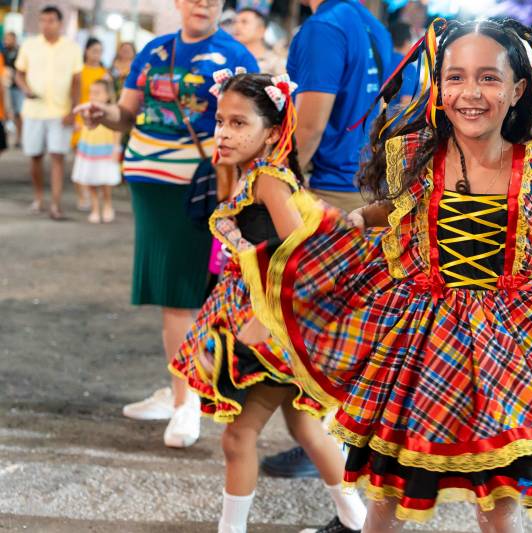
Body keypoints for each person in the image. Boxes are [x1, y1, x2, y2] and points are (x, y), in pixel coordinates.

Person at [252, 18, 532, 531]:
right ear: (439, 87)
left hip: (504, 340)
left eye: (489, 78)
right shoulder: (417, 156)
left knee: (499, 493)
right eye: (456, 78)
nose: (471, 92)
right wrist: (361, 217)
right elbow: (402, 204)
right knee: (391, 487)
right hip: (421, 337)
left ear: (517, 90)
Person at [169, 71, 366, 533]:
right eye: (221, 120)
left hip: (275, 329)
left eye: (239, 123)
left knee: (239, 436)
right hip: (265, 320)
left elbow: (300, 255)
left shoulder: (268, 181)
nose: (224, 131)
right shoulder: (254, 176)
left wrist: (264, 321)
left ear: (273, 132)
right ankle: (356, 520)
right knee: (305, 428)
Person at [75, 0, 258, 448]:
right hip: (147, 183)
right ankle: (181, 391)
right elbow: (128, 111)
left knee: (197, 291)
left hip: (201, 184)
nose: (204, 4)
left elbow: (257, 126)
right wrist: (104, 116)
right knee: (171, 292)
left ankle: (188, 398)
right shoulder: (153, 51)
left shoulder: (237, 56)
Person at [259, 0, 392, 479]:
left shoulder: (323, 29)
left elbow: (310, 123)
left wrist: (279, 181)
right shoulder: (372, 26)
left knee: (319, 325)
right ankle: (336, 441)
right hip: (369, 185)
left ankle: (323, 443)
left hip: (329, 189)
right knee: (352, 324)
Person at [14, 5, 83, 220]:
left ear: (60, 23)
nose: (46, 24)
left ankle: (55, 203)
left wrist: (73, 111)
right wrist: (25, 89)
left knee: (57, 156)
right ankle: (38, 198)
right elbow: (19, 74)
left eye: (51, 20)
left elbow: (76, 82)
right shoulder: (29, 45)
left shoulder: (71, 48)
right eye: (43, 20)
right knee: (35, 156)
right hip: (34, 111)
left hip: (60, 112)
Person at [71, 78, 121, 223]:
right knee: (91, 179)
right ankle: (95, 208)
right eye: (92, 93)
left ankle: (107, 205)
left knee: (105, 181)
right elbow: (81, 125)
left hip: (105, 149)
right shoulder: (86, 109)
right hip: (89, 150)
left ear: (107, 95)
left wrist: (116, 148)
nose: (93, 96)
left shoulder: (111, 111)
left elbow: (117, 130)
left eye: (97, 93)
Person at [73, 37, 110, 211]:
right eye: (94, 50)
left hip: (99, 118)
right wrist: (75, 118)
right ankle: (82, 195)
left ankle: (95, 196)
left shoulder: (105, 72)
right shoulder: (79, 71)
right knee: (80, 157)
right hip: (81, 114)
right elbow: (75, 94)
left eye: (100, 51)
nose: (96, 54)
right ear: (86, 51)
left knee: (95, 158)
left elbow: (110, 97)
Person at [233, 7, 285, 74]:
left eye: (244, 22)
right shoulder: (229, 58)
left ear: (261, 30)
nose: (237, 26)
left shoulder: (275, 63)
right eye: (235, 22)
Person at [388, 21, 418, 109]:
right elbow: (405, 103)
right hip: (393, 121)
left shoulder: (384, 60)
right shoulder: (408, 67)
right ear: (406, 41)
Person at [2, 31, 23, 148]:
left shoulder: (20, 52)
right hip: (5, 87)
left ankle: (19, 138)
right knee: (8, 113)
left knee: (18, 113)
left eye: (9, 39)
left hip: (17, 88)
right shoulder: (3, 52)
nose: (6, 41)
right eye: (6, 39)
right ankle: (7, 137)